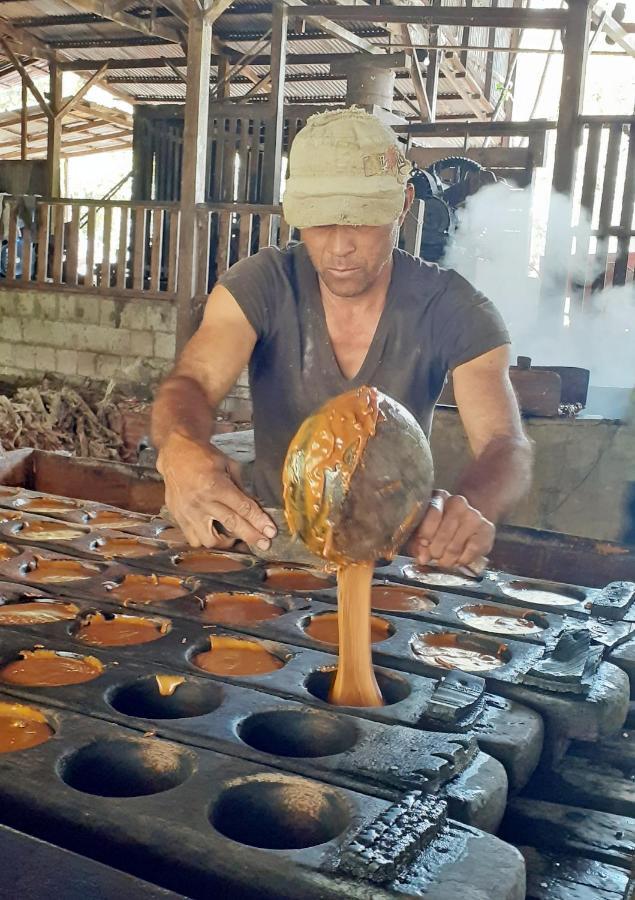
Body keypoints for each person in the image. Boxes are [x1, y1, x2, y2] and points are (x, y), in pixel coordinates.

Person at [152, 107, 533, 570]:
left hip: (395, 553)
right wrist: (178, 446)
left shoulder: (456, 310)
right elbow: (190, 384)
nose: (339, 246)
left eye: (360, 221)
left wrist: (471, 504)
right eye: (320, 221)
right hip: (277, 543)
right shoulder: (262, 285)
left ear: (403, 205)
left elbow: (505, 444)